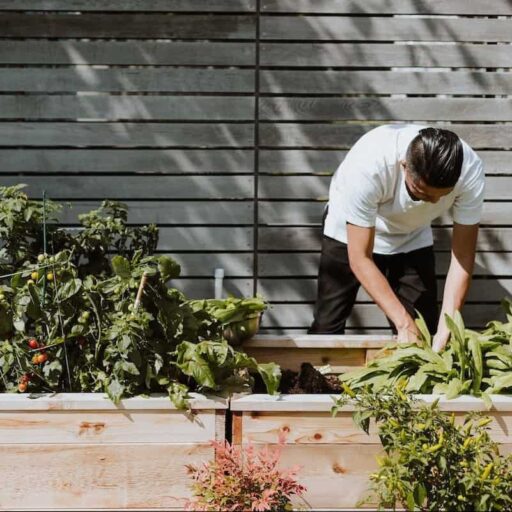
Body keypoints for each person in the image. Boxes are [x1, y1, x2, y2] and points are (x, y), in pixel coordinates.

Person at [308, 124, 485, 352]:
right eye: (420, 193)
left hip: (412, 234)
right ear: (404, 166)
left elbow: (462, 257)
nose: (431, 202)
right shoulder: (368, 165)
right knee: (327, 327)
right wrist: (403, 322)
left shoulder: (470, 171)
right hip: (348, 232)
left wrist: (447, 327)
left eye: (440, 197)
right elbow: (360, 258)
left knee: (423, 332)